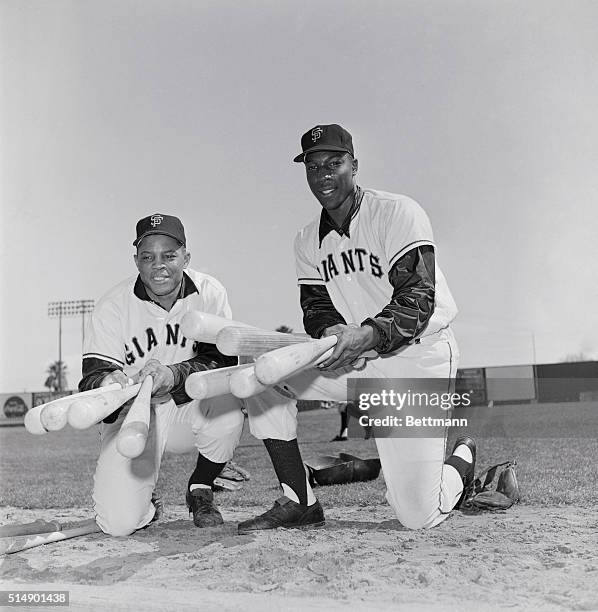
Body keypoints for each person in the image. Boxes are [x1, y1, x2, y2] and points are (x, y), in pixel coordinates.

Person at [239, 124, 476, 533]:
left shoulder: (397, 212)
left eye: (334, 163)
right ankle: (300, 500)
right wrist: (332, 332)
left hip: (417, 357)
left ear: (355, 165)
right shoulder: (306, 239)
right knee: (261, 375)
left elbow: (418, 297)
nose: (323, 174)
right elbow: (314, 307)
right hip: (358, 361)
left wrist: (363, 335)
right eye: (313, 166)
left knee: (417, 515)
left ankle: (463, 460)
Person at [79, 213, 284, 536]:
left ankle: (200, 485)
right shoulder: (113, 305)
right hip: (136, 415)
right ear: (136, 261)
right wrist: (107, 383)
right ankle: (147, 503)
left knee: (228, 402)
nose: (158, 265)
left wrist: (173, 375)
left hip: (189, 405)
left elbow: (221, 360)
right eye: (148, 257)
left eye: (169, 255)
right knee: (118, 524)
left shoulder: (209, 292)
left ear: (186, 257)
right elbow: (91, 376)